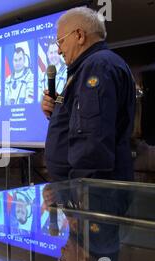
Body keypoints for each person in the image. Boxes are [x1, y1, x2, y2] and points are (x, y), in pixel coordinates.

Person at [41, 7, 136, 181]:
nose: (59, 51)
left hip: (90, 193)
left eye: (60, 42)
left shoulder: (97, 66)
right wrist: (57, 110)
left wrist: (79, 192)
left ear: (79, 35)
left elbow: (92, 142)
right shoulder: (89, 67)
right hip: (76, 190)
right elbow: (82, 123)